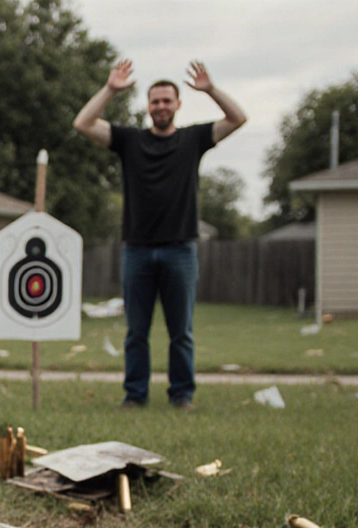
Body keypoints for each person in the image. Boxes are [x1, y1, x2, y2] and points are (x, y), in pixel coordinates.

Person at [73, 60, 247, 409]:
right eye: (155, 101)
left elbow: (238, 118)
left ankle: (182, 396)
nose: (161, 107)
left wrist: (210, 89)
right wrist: (110, 88)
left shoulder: (194, 139)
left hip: (180, 250)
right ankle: (135, 396)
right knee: (136, 333)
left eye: (167, 101)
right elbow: (83, 123)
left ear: (178, 105)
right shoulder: (129, 141)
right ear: (147, 106)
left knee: (180, 332)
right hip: (136, 251)